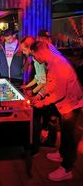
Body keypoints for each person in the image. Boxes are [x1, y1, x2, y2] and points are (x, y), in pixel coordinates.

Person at [30, 40, 83, 181]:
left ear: (40, 52)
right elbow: (51, 83)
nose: (34, 58)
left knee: (69, 137)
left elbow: (60, 93)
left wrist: (43, 102)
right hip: (65, 105)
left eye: (34, 55)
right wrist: (40, 94)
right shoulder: (52, 62)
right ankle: (61, 154)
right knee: (65, 133)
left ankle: (67, 168)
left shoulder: (58, 64)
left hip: (71, 105)